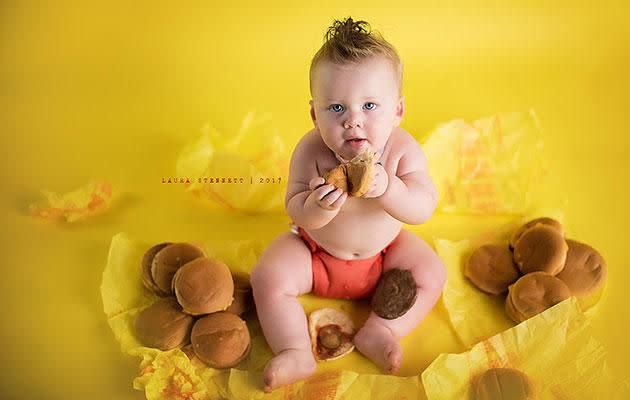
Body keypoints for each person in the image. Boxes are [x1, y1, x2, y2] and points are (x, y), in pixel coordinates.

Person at [251, 17, 447, 392]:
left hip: (384, 256)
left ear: (398, 111)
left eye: (370, 105)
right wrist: (318, 208)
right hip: (316, 255)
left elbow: (422, 208)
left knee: (432, 273)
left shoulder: (402, 151)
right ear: (314, 114)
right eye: (336, 108)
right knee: (267, 275)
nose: (353, 120)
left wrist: (389, 189)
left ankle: (382, 329)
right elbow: (294, 207)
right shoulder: (310, 151)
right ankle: (295, 350)